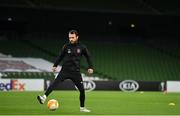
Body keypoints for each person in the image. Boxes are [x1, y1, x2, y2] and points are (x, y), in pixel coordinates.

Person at [37, 30, 93, 112]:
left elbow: (88, 57)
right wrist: (55, 65)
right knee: (55, 83)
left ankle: (82, 108)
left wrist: (90, 67)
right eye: (70, 37)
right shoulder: (66, 46)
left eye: (73, 37)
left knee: (82, 90)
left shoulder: (82, 47)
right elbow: (60, 56)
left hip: (76, 72)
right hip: (65, 70)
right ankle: (43, 97)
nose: (71, 39)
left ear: (77, 37)